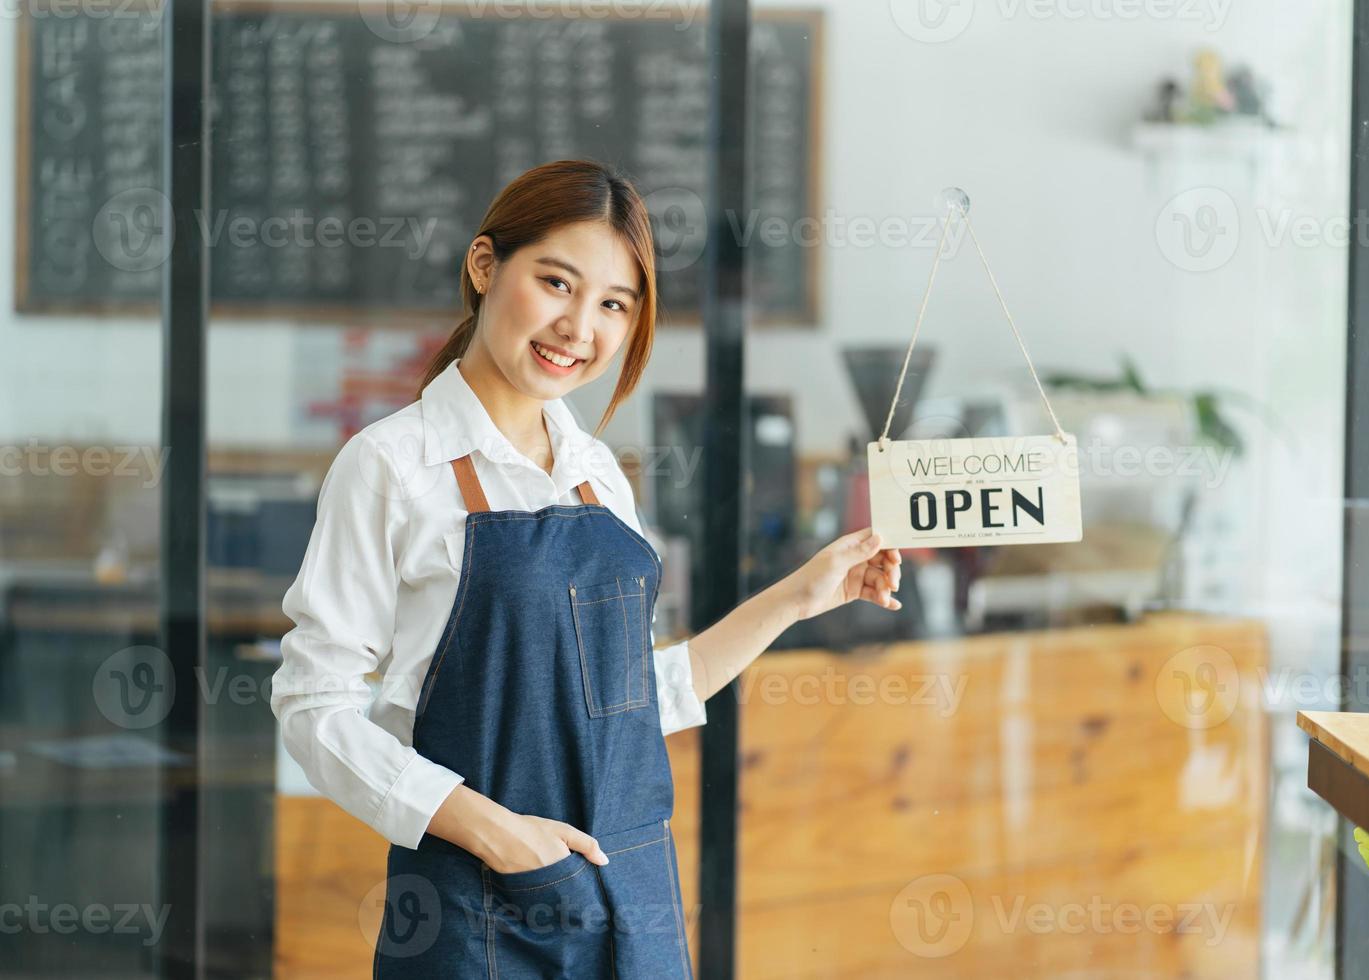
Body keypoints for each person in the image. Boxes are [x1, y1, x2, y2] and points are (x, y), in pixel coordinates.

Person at [269, 159, 903, 979]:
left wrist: (795, 598)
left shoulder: (597, 471)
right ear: (485, 266)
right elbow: (313, 709)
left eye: (613, 304)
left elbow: (628, 702)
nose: (580, 327)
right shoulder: (393, 466)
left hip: (633, 903)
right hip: (478, 910)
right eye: (557, 283)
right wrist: (503, 836)